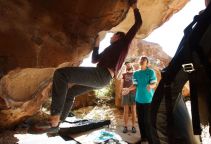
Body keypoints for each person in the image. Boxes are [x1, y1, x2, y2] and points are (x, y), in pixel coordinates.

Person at [34, 0, 142, 133]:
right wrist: (96, 46)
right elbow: (94, 60)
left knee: (61, 74)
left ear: (118, 36)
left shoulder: (124, 43)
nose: (111, 36)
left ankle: (54, 119)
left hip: (102, 75)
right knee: (71, 92)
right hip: (100, 78)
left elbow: (138, 24)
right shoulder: (111, 48)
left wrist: (135, 8)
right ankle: (59, 122)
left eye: (113, 35)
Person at [129, 56, 157, 144]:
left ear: (147, 63)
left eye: (144, 60)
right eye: (141, 60)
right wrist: (128, 89)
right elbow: (135, 85)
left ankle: (150, 138)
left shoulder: (150, 72)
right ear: (139, 62)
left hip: (148, 100)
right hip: (138, 100)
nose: (142, 61)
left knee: (147, 120)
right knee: (140, 119)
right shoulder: (136, 73)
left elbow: (154, 83)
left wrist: (150, 86)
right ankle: (143, 137)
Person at [121, 61, 136, 133]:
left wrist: (129, 89)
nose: (127, 65)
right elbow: (122, 83)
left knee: (133, 110)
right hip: (125, 94)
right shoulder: (123, 74)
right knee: (126, 111)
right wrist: (122, 91)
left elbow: (136, 84)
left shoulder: (135, 74)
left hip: (134, 93)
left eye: (128, 64)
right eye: (126, 65)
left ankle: (133, 126)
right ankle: (125, 126)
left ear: (131, 65)